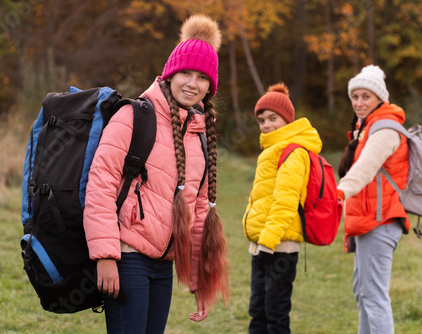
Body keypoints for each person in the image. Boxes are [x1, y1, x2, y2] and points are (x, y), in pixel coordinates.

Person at [83, 14, 229, 334]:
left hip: (164, 265)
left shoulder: (200, 136)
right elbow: (101, 185)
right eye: (186, 73)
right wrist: (106, 256)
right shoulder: (133, 115)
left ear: (210, 87)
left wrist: (200, 281)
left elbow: (198, 211)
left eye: (202, 77)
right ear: (170, 74)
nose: (193, 83)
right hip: (128, 257)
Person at [242, 83, 322, 334]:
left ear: (287, 119)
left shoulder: (293, 152)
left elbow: (286, 200)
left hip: (279, 246)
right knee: (258, 311)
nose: (266, 124)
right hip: (262, 244)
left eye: (273, 118)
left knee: (275, 313)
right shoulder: (269, 151)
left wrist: (268, 241)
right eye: (261, 119)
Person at [337, 64, 410, 334]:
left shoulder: (385, 129)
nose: (358, 102)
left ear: (380, 98)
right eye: (355, 96)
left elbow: (365, 168)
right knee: (364, 293)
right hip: (369, 219)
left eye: (366, 96)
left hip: (379, 220)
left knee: (374, 297)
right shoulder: (365, 128)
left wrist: (339, 192)